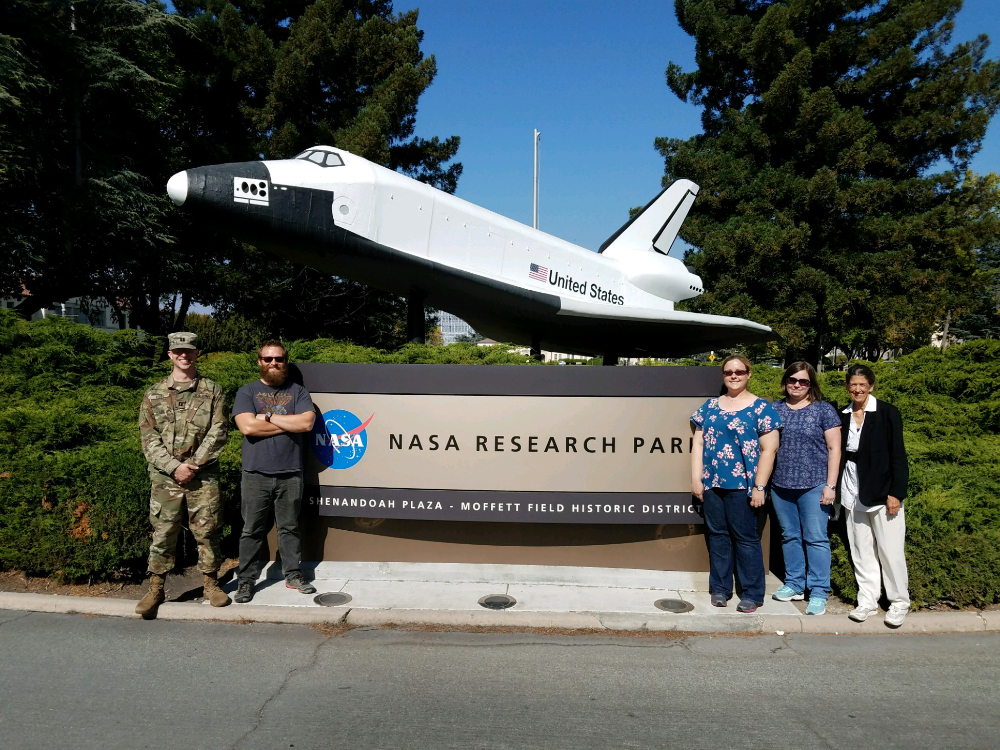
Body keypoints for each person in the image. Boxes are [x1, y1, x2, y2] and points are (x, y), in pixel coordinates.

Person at [135, 332, 230, 619]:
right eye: (178, 351)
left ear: (196, 353)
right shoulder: (153, 393)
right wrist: (174, 466)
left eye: (188, 351)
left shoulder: (213, 391)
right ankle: (156, 588)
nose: (183, 355)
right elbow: (148, 435)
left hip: (202, 476)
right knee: (163, 532)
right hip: (165, 477)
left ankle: (211, 584)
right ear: (170, 354)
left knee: (207, 530)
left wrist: (194, 464)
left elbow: (219, 431)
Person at [690, 354, 781, 613]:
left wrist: (760, 487)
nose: (733, 376)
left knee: (746, 539)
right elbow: (698, 443)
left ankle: (752, 593)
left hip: (744, 486)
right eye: (728, 371)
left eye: (739, 371)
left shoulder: (761, 408)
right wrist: (696, 479)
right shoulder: (710, 407)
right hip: (713, 484)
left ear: (748, 374)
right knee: (718, 537)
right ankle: (720, 588)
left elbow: (769, 450)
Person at [232, 340, 317, 603]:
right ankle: (246, 580)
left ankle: (293, 574)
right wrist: (288, 423)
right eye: (267, 359)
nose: (273, 363)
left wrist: (266, 418)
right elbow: (247, 428)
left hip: (291, 472)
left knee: (289, 528)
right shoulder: (247, 392)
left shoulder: (298, 392)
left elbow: (306, 423)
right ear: (259, 362)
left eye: (278, 359)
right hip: (256, 472)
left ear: (285, 361)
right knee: (251, 530)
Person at [839, 363, 910, 628]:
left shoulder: (887, 413)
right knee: (861, 550)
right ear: (848, 386)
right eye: (853, 385)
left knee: (890, 552)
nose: (857, 389)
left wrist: (896, 492)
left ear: (871, 386)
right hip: (852, 490)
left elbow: (898, 456)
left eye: (862, 385)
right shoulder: (843, 414)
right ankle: (867, 600)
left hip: (882, 492)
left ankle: (899, 602)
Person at [770, 362, 841, 616]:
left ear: (812, 384)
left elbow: (834, 449)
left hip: (814, 484)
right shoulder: (775, 409)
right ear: (785, 381)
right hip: (781, 485)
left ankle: (819, 591)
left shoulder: (824, 410)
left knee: (816, 538)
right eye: (792, 380)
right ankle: (795, 584)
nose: (797, 385)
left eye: (803, 381)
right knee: (789, 536)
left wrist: (830, 486)